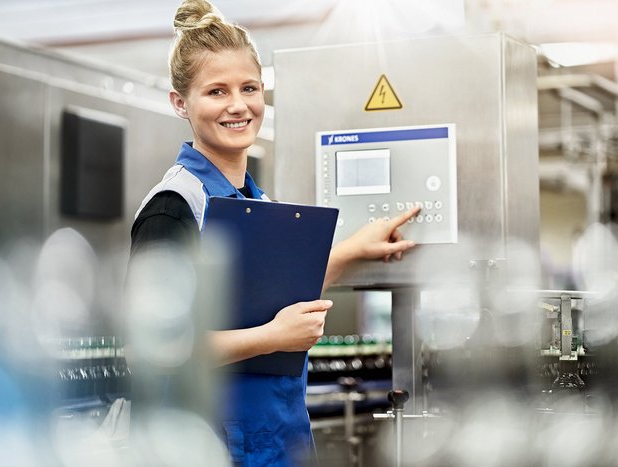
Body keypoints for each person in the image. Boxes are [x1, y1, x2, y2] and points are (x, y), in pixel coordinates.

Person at [130, 0, 420, 464]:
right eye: (216, 92)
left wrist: (352, 250)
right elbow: (151, 351)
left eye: (249, 88)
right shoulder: (174, 207)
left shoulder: (255, 203)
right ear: (180, 103)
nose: (238, 105)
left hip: (278, 440)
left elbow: (267, 298)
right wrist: (273, 337)